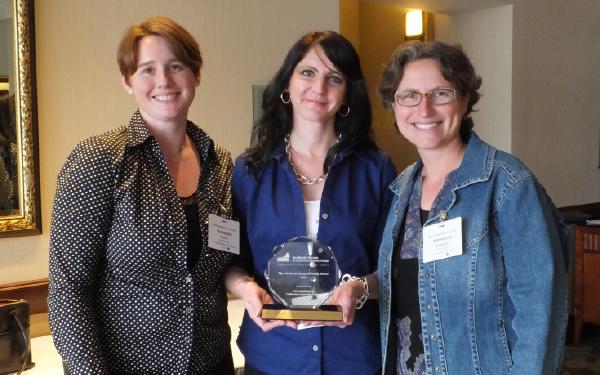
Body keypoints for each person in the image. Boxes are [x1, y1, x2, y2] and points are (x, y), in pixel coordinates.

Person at [48, 16, 235, 375]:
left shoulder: (221, 164)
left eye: (175, 66)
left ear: (196, 75)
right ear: (127, 80)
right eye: (147, 69)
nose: (163, 81)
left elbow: (226, 263)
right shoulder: (99, 161)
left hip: (213, 363)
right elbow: (68, 291)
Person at [376, 41, 570, 374]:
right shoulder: (403, 188)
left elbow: (539, 309)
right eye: (409, 96)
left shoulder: (508, 184)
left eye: (440, 93)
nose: (424, 110)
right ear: (395, 106)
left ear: (465, 100)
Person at [225, 31, 396, 375]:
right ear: (287, 84)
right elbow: (230, 261)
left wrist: (360, 288)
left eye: (334, 77)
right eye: (307, 73)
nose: (319, 87)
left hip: (354, 357)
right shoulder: (249, 171)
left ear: (347, 93)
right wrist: (245, 287)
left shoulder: (377, 170)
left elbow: (393, 266)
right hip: (273, 355)